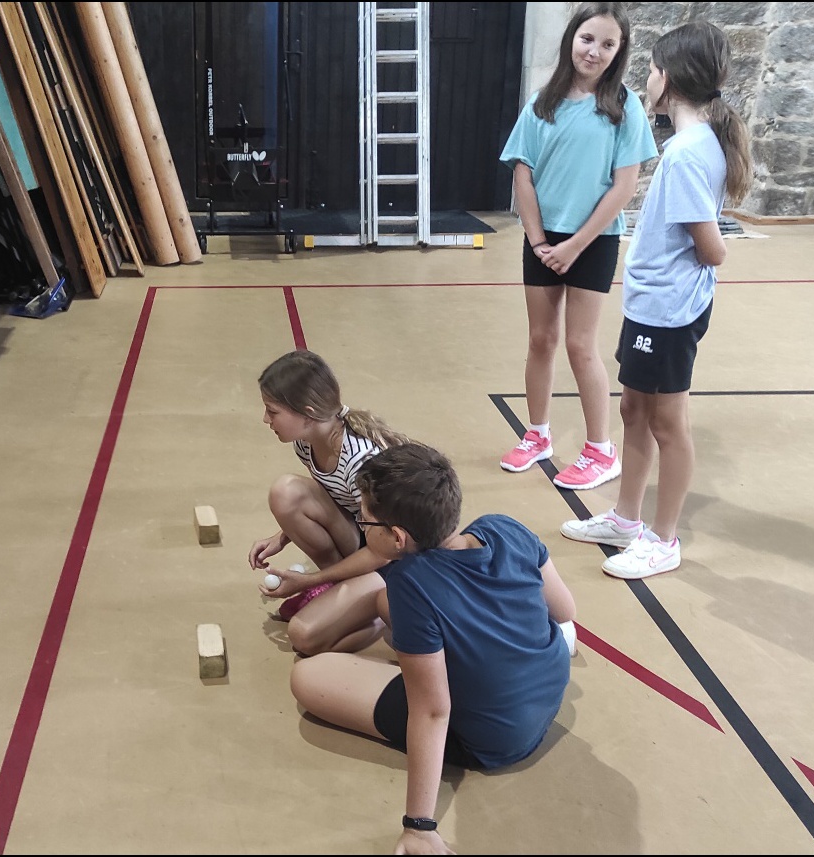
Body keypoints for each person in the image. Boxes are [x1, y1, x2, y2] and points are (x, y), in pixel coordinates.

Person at [290, 442, 576, 855]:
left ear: (397, 537)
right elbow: (565, 610)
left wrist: (419, 826)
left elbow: (432, 711)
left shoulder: (413, 584)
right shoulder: (503, 527)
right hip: (548, 690)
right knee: (386, 604)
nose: (362, 528)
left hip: (494, 737)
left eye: (365, 521)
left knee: (308, 677)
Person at [563, 20, 753, 580]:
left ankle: (663, 538)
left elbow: (711, 248)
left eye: (650, 69)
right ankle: (626, 518)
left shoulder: (687, 154)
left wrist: (714, 247)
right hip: (651, 304)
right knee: (633, 410)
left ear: (667, 79)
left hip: (670, 310)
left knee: (667, 424)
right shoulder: (689, 145)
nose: (646, 79)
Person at [498, 2, 658, 490]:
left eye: (608, 44)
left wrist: (575, 245)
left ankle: (600, 450)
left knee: (580, 345)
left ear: (619, 51)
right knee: (541, 339)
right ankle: (537, 434)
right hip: (543, 240)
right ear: (572, 38)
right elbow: (523, 175)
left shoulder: (624, 107)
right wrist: (539, 240)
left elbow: (624, 187)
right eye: (588, 38)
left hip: (594, 240)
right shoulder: (540, 104)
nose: (595, 51)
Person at [249, 349, 407, 656]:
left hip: (393, 559)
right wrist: (281, 536)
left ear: (307, 414)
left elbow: (385, 551)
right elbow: (331, 497)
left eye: (272, 411)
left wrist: (307, 580)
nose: (266, 419)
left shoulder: (360, 460)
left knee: (304, 638)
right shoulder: (306, 442)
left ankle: (377, 611)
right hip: (364, 535)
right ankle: (337, 590)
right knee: (286, 492)